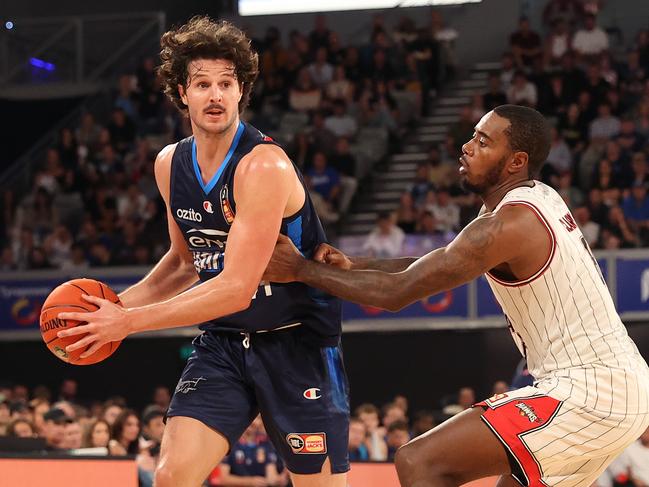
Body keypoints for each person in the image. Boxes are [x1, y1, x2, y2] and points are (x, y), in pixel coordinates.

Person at [264, 104, 649, 487]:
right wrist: (354, 265)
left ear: (516, 161)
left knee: (420, 462)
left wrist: (298, 269)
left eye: (483, 142)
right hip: (615, 388)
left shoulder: (508, 224)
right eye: (472, 136)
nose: (466, 146)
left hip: (591, 390)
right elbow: (433, 264)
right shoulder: (536, 198)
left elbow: (398, 293)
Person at [56, 16, 347, 487]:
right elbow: (183, 263)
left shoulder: (263, 165)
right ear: (181, 92)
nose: (215, 95)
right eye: (202, 84)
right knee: (171, 476)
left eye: (226, 84)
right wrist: (105, 312)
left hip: (296, 344)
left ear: (241, 92)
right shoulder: (169, 163)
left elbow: (235, 287)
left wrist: (127, 323)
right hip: (224, 345)